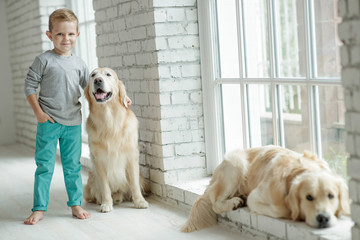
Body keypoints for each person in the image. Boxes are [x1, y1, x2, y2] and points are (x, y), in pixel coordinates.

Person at [23, 8, 91, 225]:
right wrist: (39, 114)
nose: (66, 38)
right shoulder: (44, 60)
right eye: (60, 34)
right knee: (45, 166)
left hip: (73, 123)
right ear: (50, 35)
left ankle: (75, 204)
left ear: (77, 36)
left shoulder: (80, 64)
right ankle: (39, 208)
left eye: (71, 34)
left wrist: (119, 99)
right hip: (49, 122)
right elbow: (29, 86)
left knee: (73, 166)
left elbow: (91, 91)